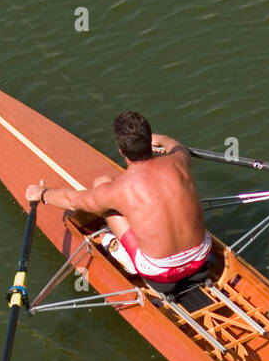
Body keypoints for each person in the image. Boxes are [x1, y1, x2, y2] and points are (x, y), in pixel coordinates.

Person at [25, 111, 211, 295]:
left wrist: (41, 194)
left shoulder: (116, 190)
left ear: (121, 150)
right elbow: (177, 145)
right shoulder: (180, 160)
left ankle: (118, 250)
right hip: (201, 259)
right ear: (149, 142)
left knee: (102, 187)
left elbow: (72, 201)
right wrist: (161, 138)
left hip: (162, 278)